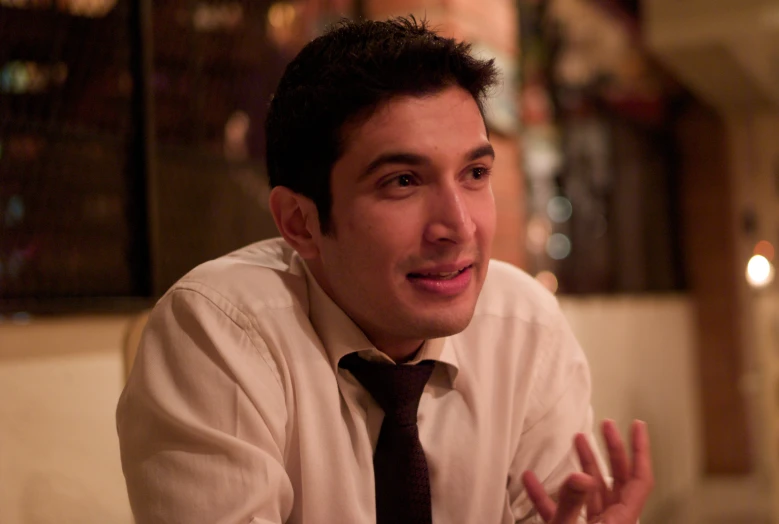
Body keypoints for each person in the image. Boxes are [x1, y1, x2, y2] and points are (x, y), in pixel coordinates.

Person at [117, 16, 653, 524]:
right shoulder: (219, 331)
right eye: (402, 181)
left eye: (475, 172)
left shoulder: (524, 327)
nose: (459, 226)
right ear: (300, 223)